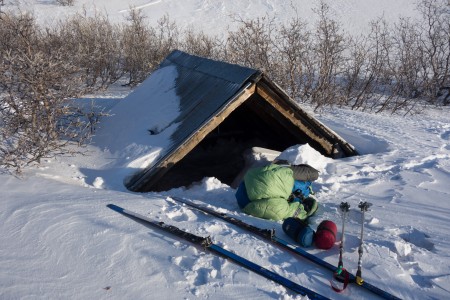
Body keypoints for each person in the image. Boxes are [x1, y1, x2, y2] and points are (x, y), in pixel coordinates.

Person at [235, 162, 319, 221]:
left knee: (313, 174)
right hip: (246, 191)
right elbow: (292, 213)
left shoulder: (285, 175)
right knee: (313, 174)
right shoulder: (279, 206)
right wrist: (306, 211)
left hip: (251, 179)